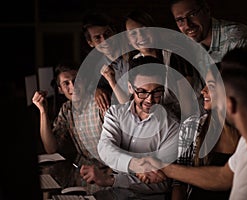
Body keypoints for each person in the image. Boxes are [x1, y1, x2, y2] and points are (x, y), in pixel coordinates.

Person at [140, 48, 247, 199]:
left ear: (229, 105)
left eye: (211, 87)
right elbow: (223, 176)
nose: (203, 92)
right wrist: (164, 168)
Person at [80, 56, 179, 199]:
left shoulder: (172, 127)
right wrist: (136, 165)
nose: (150, 99)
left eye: (157, 91)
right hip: (114, 193)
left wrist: (112, 180)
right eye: (142, 92)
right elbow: (106, 148)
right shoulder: (115, 113)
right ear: (130, 88)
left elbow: (163, 183)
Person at [168, 63, 239, 200]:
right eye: (205, 84)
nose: (203, 91)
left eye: (211, 86)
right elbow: (179, 184)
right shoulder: (192, 128)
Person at [32, 63, 105, 194]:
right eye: (66, 83)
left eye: (77, 80)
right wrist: (43, 111)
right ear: (60, 89)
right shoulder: (66, 110)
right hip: (83, 173)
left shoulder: (99, 103)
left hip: (106, 172)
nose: (73, 86)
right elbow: (51, 148)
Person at [122, 9, 205, 120]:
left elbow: (187, 103)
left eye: (144, 30)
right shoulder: (135, 62)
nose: (140, 36)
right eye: (133, 33)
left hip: (190, 117)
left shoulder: (175, 55)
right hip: (162, 120)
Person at [169, 0, 247, 63]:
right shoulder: (188, 47)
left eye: (192, 15)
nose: (187, 25)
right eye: (180, 20)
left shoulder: (237, 39)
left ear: (207, 10)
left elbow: (245, 91)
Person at [81, 11, 130, 112]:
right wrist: (96, 90)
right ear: (90, 43)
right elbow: (89, 86)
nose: (105, 40)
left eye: (107, 34)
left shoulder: (132, 55)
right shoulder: (98, 66)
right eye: (97, 38)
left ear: (114, 32)